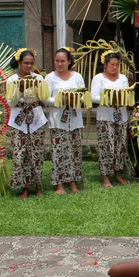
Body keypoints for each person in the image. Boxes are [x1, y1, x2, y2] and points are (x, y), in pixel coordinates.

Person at [6, 48, 48, 199]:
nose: (29, 66)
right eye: (26, 63)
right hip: (18, 120)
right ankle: (24, 187)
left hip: (36, 119)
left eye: (31, 63)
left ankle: (38, 186)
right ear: (19, 63)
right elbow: (10, 103)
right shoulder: (12, 80)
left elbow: (44, 97)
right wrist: (20, 90)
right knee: (20, 154)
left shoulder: (38, 78)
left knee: (36, 153)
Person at [45, 47, 86, 194]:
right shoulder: (49, 78)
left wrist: (74, 98)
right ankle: (59, 183)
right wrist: (61, 99)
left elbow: (83, 95)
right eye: (57, 61)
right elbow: (45, 98)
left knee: (74, 151)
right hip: (58, 120)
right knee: (59, 152)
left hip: (75, 119)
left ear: (69, 61)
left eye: (63, 61)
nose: (60, 63)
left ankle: (73, 182)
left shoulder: (77, 77)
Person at [91, 51, 134, 188]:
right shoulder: (98, 78)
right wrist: (110, 98)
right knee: (107, 146)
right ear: (105, 64)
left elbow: (127, 94)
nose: (114, 67)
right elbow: (93, 97)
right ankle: (105, 177)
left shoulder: (123, 78)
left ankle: (118, 174)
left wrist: (124, 99)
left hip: (121, 116)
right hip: (105, 117)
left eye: (117, 64)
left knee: (120, 145)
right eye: (112, 64)